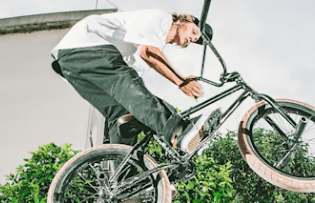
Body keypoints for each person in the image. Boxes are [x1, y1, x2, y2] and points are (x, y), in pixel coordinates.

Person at [51, 9, 215, 151]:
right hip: (86, 44)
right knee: (127, 84)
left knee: (122, 116)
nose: (191, 39)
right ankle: (176, 131)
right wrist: (181, 81)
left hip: (70, 67)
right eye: (193, 33)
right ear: (184, 20)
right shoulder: (161, 19)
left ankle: (122, 180)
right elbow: (148, 52)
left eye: (194, 41)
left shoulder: (146, 48)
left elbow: (134, 92)